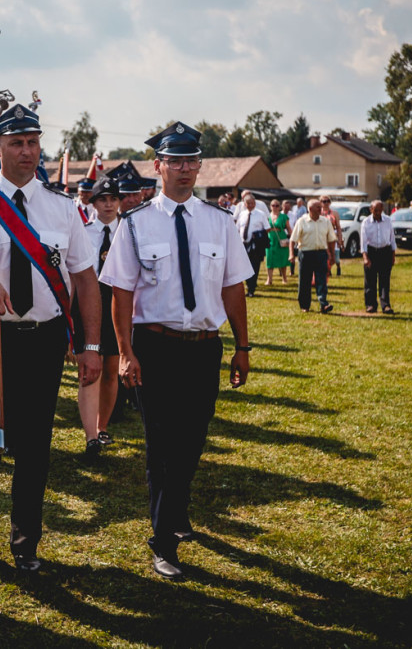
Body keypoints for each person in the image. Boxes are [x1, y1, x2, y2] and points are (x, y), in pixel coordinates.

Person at [0, 104, 102, 574]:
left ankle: (25, 543)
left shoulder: (61, 207)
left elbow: (86, 280)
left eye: (33, 142)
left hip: (43, 339)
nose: (28, 151)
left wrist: (91, 346)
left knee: (35, 445)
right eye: (16, 143)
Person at [101, 121, 252, 581]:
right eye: (176, 161)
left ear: (199, 167)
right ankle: (163, 540)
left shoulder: (219, 222)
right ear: (158, 166)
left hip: (203, 349)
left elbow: (233, 287)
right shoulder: (135, 224)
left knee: (191, 440)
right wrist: (125, 352)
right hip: (155, 347)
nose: (185, 169)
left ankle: (177, 510)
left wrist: (242, 347)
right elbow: (121, 292)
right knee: (162, 445)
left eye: (192, 161)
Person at [75, 176, 122, 461]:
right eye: (102, 199)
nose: (108, 204)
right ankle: (90, 435)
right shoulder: (83, 232)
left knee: (111, 369)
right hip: (88, 304)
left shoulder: (129, 231)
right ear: (92, 203)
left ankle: (102, 426)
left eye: (113, 199)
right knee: (90, 370)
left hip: (118, 303)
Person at [289, 199, 336, 313]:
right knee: (305, 280)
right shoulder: (302, 221)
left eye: (320, 207)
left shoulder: (325, 222)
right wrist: (291, 254)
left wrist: (332, 255)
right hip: (306, 253)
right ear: (310, 209)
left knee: (322, 280)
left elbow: (331, 240)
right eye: (318, 208)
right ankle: (305, 305)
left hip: (321, 253)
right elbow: (293, 240)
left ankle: (323, 303)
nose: (321, 209)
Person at [360, 200, 396, 314]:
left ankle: (385, 305)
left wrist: (393, 255)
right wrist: (365, 257)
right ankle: (371, 305)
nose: (378, 212)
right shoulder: (366, 222)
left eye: (380, 210)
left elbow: (392, 239)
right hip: (371, 252)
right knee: (370, 280)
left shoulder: (388, 221)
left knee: (384, 280)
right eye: (376, 210)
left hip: (385, 252)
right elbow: (363, 242)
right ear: (371, 210)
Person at [234, 192, 268, 297]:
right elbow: (237, 228)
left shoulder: (261, 214)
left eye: (252, 203)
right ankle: (248, 285)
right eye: (248, 203)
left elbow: (267, 229)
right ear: (244, 204)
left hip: (255, 245)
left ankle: (251, 289)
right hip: (243, 244)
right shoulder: (242, 214)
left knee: (254, 266)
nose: (250, 205)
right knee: (244, 266)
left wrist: (258, 235)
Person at [264, 198, 292, 285]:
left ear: (280, 207)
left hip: (281, 238)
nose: (275, 207)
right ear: (270, 206)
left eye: (277, 205)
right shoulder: (267, 216)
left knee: (283, 259)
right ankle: (269, 279)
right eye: (273, 205)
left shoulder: (284, 216)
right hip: (270, 239)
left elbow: (288, 228)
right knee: (270, 259)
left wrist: (292, 239)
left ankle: (284, 278)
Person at [319, 196, 343, 276]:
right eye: (324, 201)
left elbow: (338, 227)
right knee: (325, 255)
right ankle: (328, 271)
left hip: (332, 237)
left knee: (335, 257)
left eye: (328, 201)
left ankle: (338, 267)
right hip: (322, 237)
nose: (326, 203)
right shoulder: (319, 213)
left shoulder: (334, 213)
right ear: (320, 202)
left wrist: (340, 239)